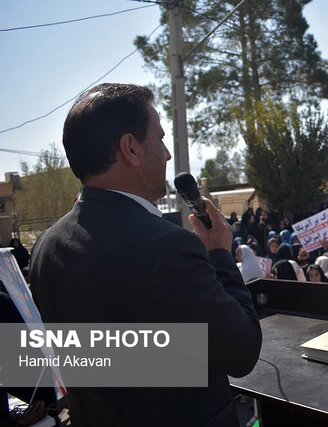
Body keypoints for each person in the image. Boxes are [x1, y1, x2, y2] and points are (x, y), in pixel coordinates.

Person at [29, 84, 262, 426]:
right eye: (161, 138)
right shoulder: (168, 248)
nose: (168, 154)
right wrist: (221, 256)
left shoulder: (45, 248)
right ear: (131, 148)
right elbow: (242, 351)